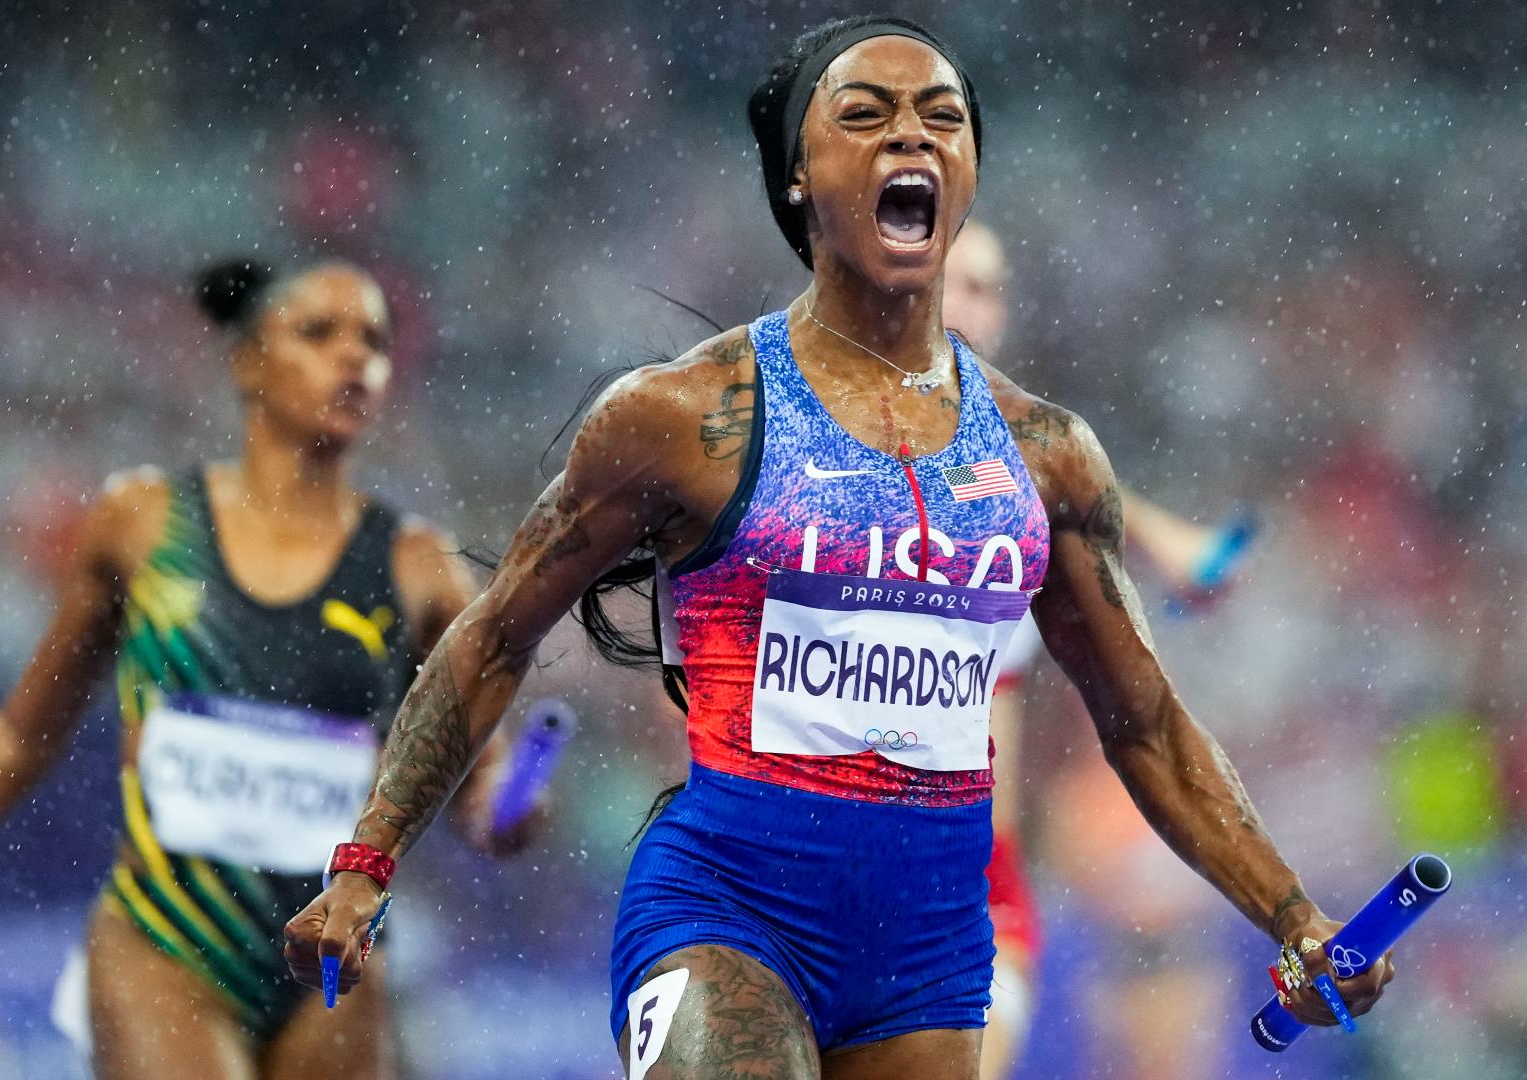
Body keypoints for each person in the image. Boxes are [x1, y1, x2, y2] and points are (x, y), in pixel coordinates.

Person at [286, 16, 1391, 1079]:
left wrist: (1292, 918)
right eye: (864, 114)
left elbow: (1143, 722)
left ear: (963, 177)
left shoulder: (1047, 458)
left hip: (930, 952)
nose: (910, 135)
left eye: (941, 116)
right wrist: (366, 861)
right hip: (727, 912)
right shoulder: (684, 417)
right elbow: (492, 640)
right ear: (798, 182)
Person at [0, 258, 536, 1080]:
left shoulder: (423, 568)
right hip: (166, 941)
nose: (354, 357)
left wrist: (504, 812)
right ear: (248, 360)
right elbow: (17, 738)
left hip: (328, 960)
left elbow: (484, 780)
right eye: (319, 332)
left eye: (373, 339)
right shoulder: (142, 525)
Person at [938, 220, 1255, 1079]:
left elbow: (1039, 476)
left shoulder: (1012, 473)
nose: (970, 308)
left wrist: (1165, 544)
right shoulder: (819, 453)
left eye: (988, 288)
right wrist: (1164, 542)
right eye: (951, 281)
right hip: (828, 864)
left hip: (976, 891)